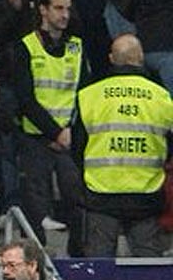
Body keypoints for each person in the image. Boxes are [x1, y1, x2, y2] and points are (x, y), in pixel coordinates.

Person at [73, 34, 173, 257]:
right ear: (141, 58)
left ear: (111, 58)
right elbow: (170, 146)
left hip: (100, 195)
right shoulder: (162, 97)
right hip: (146, 195)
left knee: (98, 268)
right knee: (148, 268)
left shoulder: (90, 96)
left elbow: (77, 146)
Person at [14, 0, 88, 253]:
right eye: (58, 8)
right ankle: (34, 260)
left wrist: (69, 132)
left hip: (68, 137)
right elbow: (25, 99)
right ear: (43, 10)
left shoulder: (77, 46)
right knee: (34, 202)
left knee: (77, 197)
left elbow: (84, 93)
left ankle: (77, 257)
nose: (64, 14)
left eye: (67, 8)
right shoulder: (26, 46)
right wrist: (56, 133)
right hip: (36, 136)